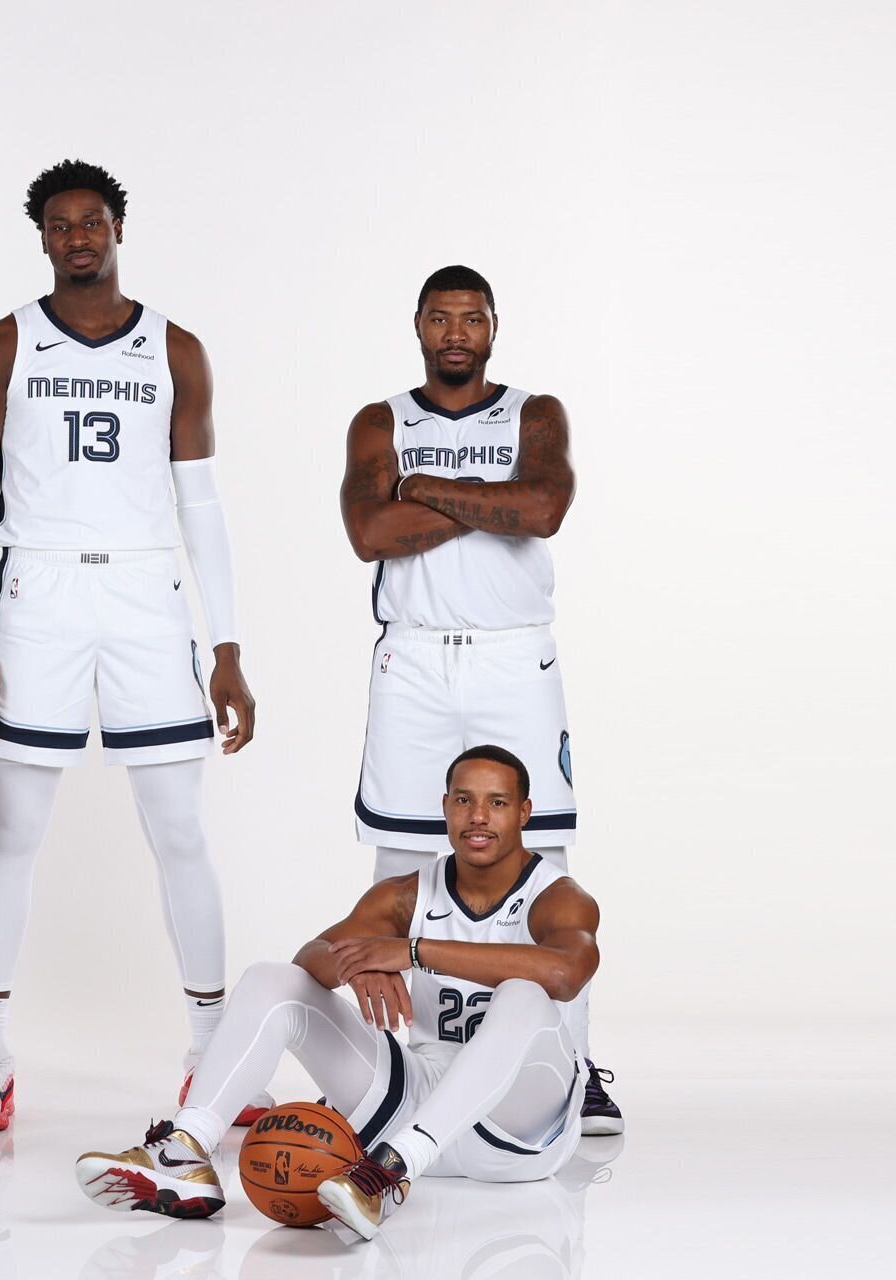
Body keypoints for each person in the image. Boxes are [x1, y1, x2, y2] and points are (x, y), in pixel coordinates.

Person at [0, 159, 261, 1132]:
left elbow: (200, 503)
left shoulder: (177, 348)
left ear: (119, 228)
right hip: (38, 587)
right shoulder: (3, 344)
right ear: (42, 237)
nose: (78, 237)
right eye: (60, 224)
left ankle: (210, 1050)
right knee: (11, 826)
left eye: (93, 222)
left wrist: (228, 644)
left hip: (142, 589)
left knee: (179, 828)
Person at [76, 746, 597, 1241]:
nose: (478, 816)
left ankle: (393, 1173)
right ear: (445, 807)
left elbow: (568, 971)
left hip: (515, 1130)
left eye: (497, 803)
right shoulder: (408, 892)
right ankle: (184, 1151)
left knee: (524, 995)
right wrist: (357, 962)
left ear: (524, 812)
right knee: (270, 977)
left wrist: (412, 951)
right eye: (464, 800)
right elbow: (313, 955)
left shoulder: (557, 896)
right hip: (415, 1104)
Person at [337, 264, 619, 1134]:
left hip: (511, 660)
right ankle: (389, 1070)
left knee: (543, 865)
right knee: (397, 866)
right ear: (417, 327)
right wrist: (490, 504)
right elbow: (368, 532)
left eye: (472, 318)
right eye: (440, 318)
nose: (455, 332)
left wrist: (422, 490)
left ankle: (569, 1066)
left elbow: (544, 507)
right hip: (415, 663)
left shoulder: (534, 413)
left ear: (493, 327)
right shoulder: (380, 420)